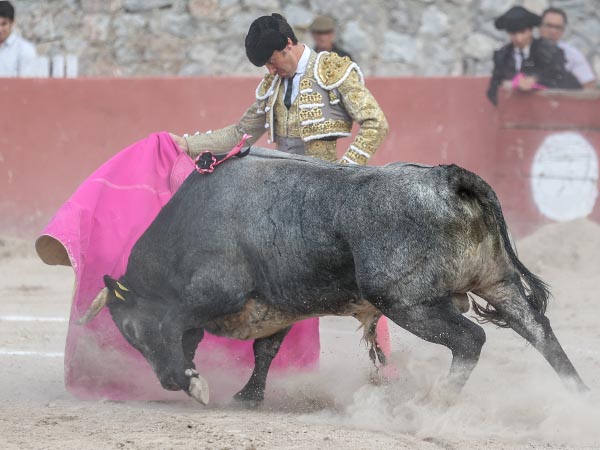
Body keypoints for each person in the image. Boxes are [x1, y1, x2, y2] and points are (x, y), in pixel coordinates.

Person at [171, 13, 388, 165]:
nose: (271, 70)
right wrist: (188, 144)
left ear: (287, 45)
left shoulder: (332, 69)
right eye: (266, 65)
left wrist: (347, 169)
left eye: (272, 61)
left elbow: (376, 123)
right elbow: (240, 134)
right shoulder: (272, 86)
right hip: (282, 187)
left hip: (326, 187)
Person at [486, 6, 581, 105]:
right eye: (513, 33)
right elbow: (492, 91)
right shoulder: (503, 56)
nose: (519, 38)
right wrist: (505, 85)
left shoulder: (548, 51)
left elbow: (559, 78)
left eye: (523, 32)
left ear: (531, 31)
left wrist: (536, 80)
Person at [539, 7, 596, 89]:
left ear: (563, 31)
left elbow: (589, 84)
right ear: (540, 26)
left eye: (558, 27)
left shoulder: (572, 54)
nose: (553, 31)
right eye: (549, 26)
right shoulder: (528, 49)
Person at [0, 1, 37, 77]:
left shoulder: (25, 49)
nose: (0, 29)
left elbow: (26, 85)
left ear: (12, 23)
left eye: (4, 24)